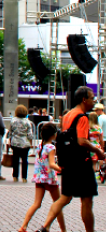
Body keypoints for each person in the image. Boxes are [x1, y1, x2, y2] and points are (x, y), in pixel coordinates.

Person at [35, 86, 105, 232]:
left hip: (67, 162)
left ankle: (45, 226)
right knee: (87, 199)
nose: (94, 101)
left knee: (65, 198)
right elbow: (81, 141)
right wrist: (98, 150)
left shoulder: (68, 115)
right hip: (81, 163)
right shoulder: (82, 117)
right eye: (92, 98)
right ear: (84, 99)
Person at [19, 123, 65, 232]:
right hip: (49, 179)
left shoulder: (40, 146)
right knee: (58, 206)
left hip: (39, 178)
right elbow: (52, 164)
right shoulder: (51, 147)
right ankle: (63, 230)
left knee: (36, 204)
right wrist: (63, 170)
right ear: (54, 134)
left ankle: (23, 226)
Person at [10, 105, 35, 182]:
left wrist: (10, 141)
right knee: (24, 160)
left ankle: (15, 176)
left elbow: (10, 132)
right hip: (25, 143)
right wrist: (30, 141)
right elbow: (30, 135)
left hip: (15, 142)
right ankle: (24, 177)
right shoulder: (27, 122)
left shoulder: (13, 120)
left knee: (15, 160)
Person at [88, 112, 103, 177]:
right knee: (94, 164)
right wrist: (101, 148)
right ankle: (93, 177)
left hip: (88, 146)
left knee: (87, 164)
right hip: (96, 147)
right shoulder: (99, 129)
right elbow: (101, 140)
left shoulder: (87, 128)